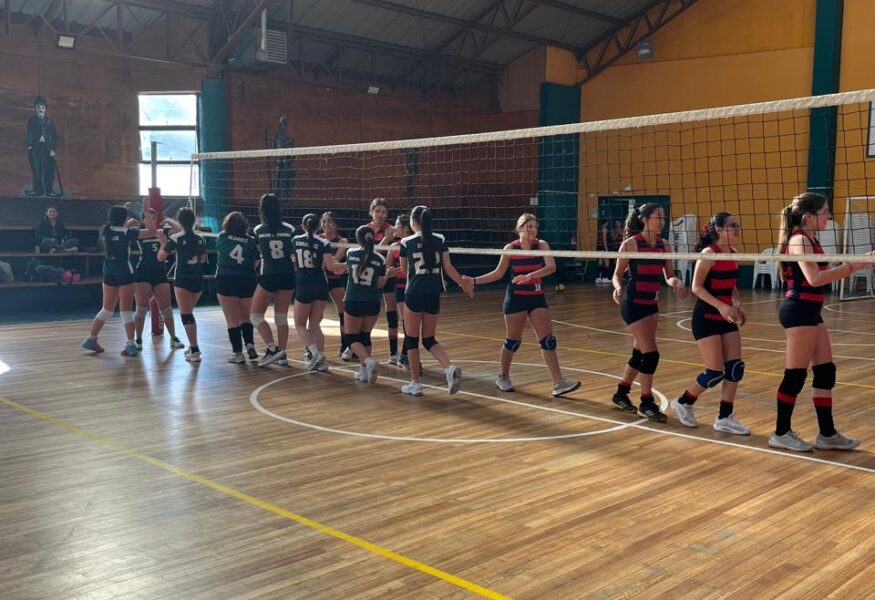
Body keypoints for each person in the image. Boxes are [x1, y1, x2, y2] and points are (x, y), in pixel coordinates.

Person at [770, 192, 869, 451]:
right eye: (825, 211)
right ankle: (780, 432)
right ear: (808, 216)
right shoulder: (799, 240)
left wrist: (859, 262)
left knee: (825, 372)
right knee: (795, 375)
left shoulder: (811, 238)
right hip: (799, 310)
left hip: (812, 310)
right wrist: (854, 266)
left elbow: (822, 273)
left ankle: (827, 434)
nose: (829, 216)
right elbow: (814, 279)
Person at [468, 213, 581, 397]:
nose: (534, 230)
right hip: (516, 299)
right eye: (530, 227)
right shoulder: (510, 248)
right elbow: (497, 274)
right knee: (513, 341)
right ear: (520, 228)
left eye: (536, 227)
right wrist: (473, 281)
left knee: (548, 341)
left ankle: (559, 383)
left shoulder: (541, 245)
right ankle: (503, 377)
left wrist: (530, 276)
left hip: (536, 297)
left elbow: (551, 267)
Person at [670, 212, 750, 435]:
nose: (737, 228)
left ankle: (724, 417)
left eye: (737, 224)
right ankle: (683, 402)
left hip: (726, 317)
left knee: (735, 368)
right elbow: (696, 287)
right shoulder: (708, 254)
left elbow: (731, 285)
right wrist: (721, 306)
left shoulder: (733, 253)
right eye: (733, 225)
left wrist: (736, 303)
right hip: (706, 317)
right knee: (715, 372)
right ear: (719, 230)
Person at [610, 203, 688, 421]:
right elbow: (617, 274)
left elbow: (668, 275)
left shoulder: (664, 245)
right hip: (632, 303)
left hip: (651, 304)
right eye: (658, 217)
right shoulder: (631, 244)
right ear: (645, 219)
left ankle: (621, 393)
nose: (662, 221)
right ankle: (646, 402)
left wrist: (676, 282)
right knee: (651, 354)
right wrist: (617, 287)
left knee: (639, 353)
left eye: (663, 217)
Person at [398, 205, 473, 396]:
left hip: (414, 293)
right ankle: (448, 367)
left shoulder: (406, 242)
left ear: (413, 221)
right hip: (433, 294)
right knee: (429, 339)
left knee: (412, 340)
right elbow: (449, 268)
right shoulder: (440, 239)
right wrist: (463, 284)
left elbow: (404, 270)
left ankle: (416, 383)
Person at [81, 205, 156, 356]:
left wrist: (126, 224)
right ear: (124, 218)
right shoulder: (127, 232)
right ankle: (131, 345)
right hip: (125, 273)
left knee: (106, 309)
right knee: (126, 310)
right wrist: (147, 211)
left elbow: (117, 233)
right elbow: (152, 231)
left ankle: (91, 339)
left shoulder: (105, 231)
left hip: (109, 273)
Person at [344, 225, 400, 384]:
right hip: (373, 302)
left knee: (351, 338)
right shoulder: (380, 259)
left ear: (358, 239)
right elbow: (380, 284)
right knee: (365, 336)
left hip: (354, 300)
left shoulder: (350, 253)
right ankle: (363, 371)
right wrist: (387, 276)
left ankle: (368, 360)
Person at [293, 213, 347, 371]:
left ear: (302, 226)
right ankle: (322, 361)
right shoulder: (323, 242)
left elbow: (293, 262)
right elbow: (331, 267)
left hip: (304, 284)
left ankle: (316, 354)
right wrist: (349, 266)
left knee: (300, 324)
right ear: (319, 226)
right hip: (321, 284)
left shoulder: (295, 240)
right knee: (315, 324)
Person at [251, 194, 296, 367]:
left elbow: (256, 253)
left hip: (268, 275)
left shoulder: (258, 230)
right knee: (281, 317)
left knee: (255, 315)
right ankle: (282, 354)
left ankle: (272, 348)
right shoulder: (290, 229)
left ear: (262, 209)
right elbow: (293, 254)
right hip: (287, 275)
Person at [132, 208, 185, 351]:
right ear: (143, 220)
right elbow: (124, 232)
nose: (152, 220)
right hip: (143, 272)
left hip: (160, 272)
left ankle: (173, 338)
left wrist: (169, 221)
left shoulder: (163, 232)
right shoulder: (140, 233)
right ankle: (138, 339)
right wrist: (130, 222)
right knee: (141, 308)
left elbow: (180, 231)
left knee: (166, 309)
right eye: (148, 217)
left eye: (154, 217)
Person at [158, 207, 207, 362]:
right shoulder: (200, 238)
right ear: (193, 220)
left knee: (186, 316)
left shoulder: (175, 238)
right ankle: (193, 347)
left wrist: (162, 242)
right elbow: (203, 259)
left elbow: (160, 257)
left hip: (182, 279)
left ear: (180, 221)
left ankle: (195, 350)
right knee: (189, 314)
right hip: (197, 279)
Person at [216, 211, 259, 364]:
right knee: (245, 317)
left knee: (232, 320)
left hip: (226, 278)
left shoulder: (222, 236)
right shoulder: (252, 240)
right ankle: (250, 345)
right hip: (247, 279)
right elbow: (256, 262)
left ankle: (238, 354)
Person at [366, 198, 401, 363]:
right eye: (377, 211)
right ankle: (353, 346)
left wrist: (388, 238)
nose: (380, 214)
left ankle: (393, 353)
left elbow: (391, 255)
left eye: (383, 212)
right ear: (371, 212)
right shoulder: (365, 230)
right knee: (363, 312)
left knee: (391, 315)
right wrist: (385, 240)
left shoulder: (391, 230)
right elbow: (369, 253)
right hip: (368, 274)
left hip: (387, 273)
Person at [320, 211, 350, 359]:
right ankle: (311, 347)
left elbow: (334, 260)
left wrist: (326, 262)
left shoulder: (342, 241)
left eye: (330, 221)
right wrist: (329, 262)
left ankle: (345, 345)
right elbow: (328, 262)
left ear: (336, 224)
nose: (327, 224)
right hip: (319, 278)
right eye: (325, 221)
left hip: (336, 279)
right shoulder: (318, 238)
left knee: (343, 312)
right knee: (316, 314)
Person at [386, 214, 412, 369]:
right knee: (406, 322)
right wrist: (391, 271)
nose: (394, 227)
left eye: (397, 225)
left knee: (411, 323)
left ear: (406, 228)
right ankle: (403, 356)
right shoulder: (394, 246)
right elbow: (387, 267)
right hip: (401, 287)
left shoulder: (414, 243)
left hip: (414, 287)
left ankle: (405, 355)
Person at [25, 96, 59, 197]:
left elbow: (54, 136)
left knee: (49, 170)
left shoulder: (49, 122)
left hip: (47, 149)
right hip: (35, 149)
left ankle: (49, 190)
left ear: (45, 109)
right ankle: (38, 190)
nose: (40, 109)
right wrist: (30, 145)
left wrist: (53, 149)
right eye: (38, 107)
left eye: (42, 108)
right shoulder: (32, 121)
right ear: (35, 108)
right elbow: (29, 134)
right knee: (36, 170)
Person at [273, 116, 295, 201]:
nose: (284, 126)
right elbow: (272, 151)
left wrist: (289, 161)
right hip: (279, 165)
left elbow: (294, 153)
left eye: (285, 124)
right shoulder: (275, 138)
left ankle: (286, 198)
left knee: (288, 182)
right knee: (279, 183)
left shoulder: (290, 140)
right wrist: (279, 160)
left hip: (288, 165)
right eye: (282, 124)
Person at [595, 220, 611, 284]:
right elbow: (604, 240)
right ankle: (605, 278)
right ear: (606, 223)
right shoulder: (604, 229)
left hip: (599, 248)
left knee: (600, 263)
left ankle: (598, 278)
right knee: (607, 263)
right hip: (603, 248)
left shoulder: (598, 229)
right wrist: (606, 249)